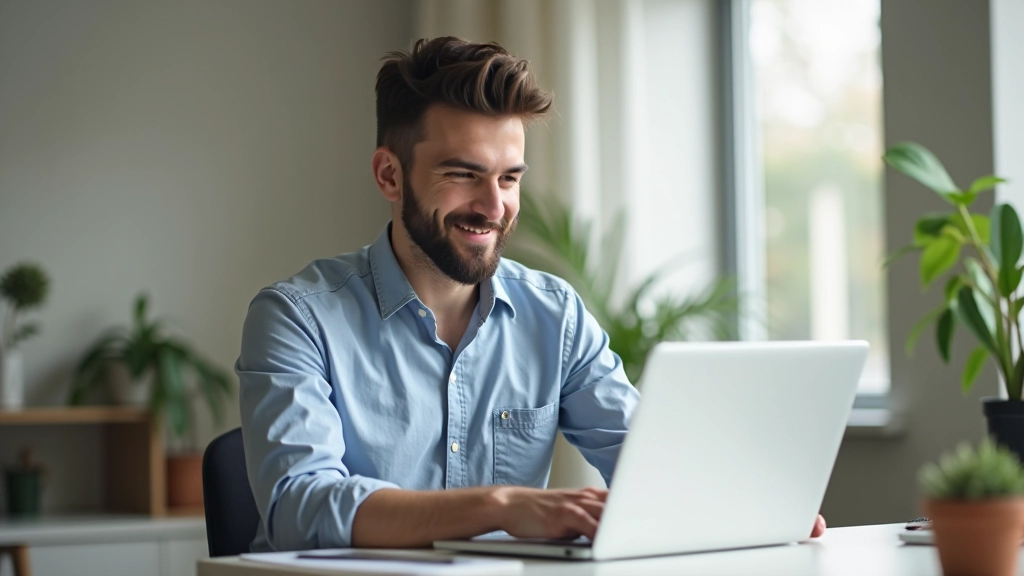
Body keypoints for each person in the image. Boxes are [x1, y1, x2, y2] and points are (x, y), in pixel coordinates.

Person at [236, 36, 826, 553]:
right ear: (390, 175)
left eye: (510, 178)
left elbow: (647, 463)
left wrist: (748, 511)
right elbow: (300, 508)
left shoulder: (555, 315)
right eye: (463, 173)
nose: (495, 207)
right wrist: (498, 507)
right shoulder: (297, 317)